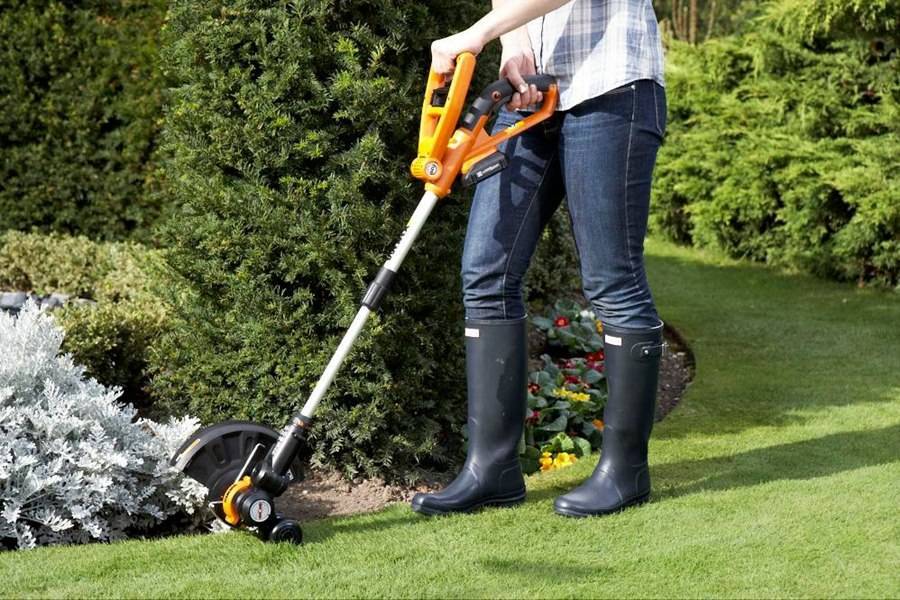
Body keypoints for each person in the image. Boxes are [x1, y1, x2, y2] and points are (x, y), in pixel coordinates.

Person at [411, 0, 668, 518]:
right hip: (533, 97)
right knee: (486, 272)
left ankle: (626, 472)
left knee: (613, 282)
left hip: (610, 86)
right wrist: (515, 44)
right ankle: (492, 470)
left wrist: (479, 33)